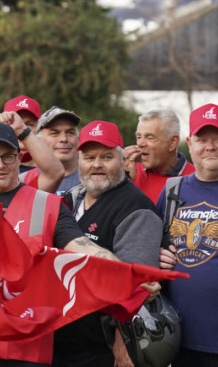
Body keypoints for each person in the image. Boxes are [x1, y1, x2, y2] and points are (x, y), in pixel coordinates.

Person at [0, 122, 121, 366]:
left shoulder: (48, 204)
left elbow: (82, 247)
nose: (0, 165)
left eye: (8, 157)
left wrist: (121, 270)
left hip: (27, 344)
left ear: (20, 158)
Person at [53, 120, 162, 367]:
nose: (97, 165)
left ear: (124, 161)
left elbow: (136, 288)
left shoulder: (136, 208)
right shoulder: (71, 198)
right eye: (89, 157)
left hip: (102, 347)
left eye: (106, 157)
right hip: (64, 337)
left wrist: (124, 342)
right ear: (79, 161)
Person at [158, 103, 218, 366]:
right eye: (202, 139)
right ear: (189, 143)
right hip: (180, 344)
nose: (210, 146)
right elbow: (148, 249)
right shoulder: (173, 190)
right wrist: (156, 256)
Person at [124, 108, 195, 203]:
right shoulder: (129, 172)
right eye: (139, 137)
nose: (140, 143)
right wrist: (124, 181)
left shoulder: (196, 178)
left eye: (150, 138)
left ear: (172, 142)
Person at [23, 106, 82, 195]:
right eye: (55, 133)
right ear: (39, 141)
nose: (64, 139)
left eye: (70, 133)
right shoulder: (23, 181)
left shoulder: (92, 180)